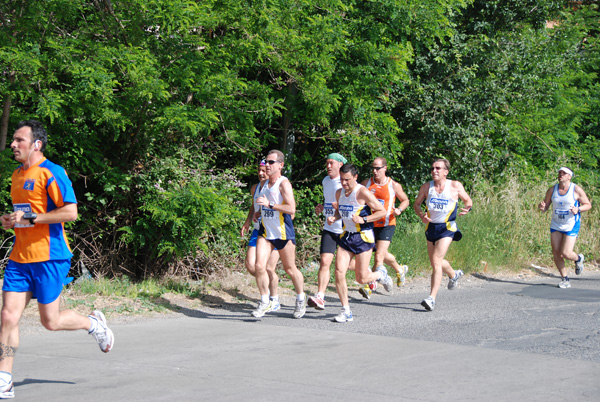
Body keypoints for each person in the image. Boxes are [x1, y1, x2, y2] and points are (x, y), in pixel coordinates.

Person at [0, 120, 114, 399]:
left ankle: (93, 324)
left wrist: (31, 218)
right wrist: (11, 221)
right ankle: (4, 377)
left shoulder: (53, 173)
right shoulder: (16, 175)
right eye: (13, 140)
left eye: (19, 140)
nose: (13, 145)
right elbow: (25, 215)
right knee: (7, 316)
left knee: (50, 322)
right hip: (19, 257)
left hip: (49, 256)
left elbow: (70, 212)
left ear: (36, 145)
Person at [327, 164, 392, 323]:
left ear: (355, 177)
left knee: (362, 278)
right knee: (338, 271)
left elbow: (382, 211)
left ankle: (380, 274)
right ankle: (346, 310)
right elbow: (341, 211)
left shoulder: (363, 192)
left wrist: (363, 219)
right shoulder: (339, 192)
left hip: (363, 236)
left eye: (347, 180)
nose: (344, 183)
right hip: (347, 236)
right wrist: (335, 217)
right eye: (341, 179)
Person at [251, 150, 307, 319]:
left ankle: (300, 298)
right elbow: (264, 206)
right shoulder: (264, 184)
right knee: (259, 266)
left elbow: (291, 209)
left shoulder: (283, 183)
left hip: (283, 232)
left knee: (290, 269)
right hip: (266, 231)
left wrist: (270, 204)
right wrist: (259, 213)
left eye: (271, 162)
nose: (267, 165)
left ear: (280, 165)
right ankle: (264, 300)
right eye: (266, 162)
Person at [413, 158, 472, 311]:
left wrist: (467, 208)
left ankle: (431, 298)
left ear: (446, 171)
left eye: (438, 168)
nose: (434, 171)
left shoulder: (455, 185)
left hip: (448, 228)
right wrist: (421, 215)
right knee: (435, 262)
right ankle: (454, 275)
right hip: (431, 227)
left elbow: (468, 200)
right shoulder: (427, 187)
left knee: (436, 260)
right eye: (432, 168)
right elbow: (416, 204)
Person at [307, 153, 354, 311]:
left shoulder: (346, 183)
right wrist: (322, 207)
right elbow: (328, 200)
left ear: (340, 164)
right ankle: (320, 296)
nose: (328, 166)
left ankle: (368, 273)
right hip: (329, 228)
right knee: (325, 262)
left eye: (331, 163)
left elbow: (355, 204)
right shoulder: (326, 181)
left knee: (349, 267)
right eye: (326, 163)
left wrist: (339, 209)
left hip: (344, 229)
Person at [359, 157, 410, 299]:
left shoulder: (393, 185)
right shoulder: (366, 183)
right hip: (370, 224)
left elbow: (405, 200)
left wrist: (399, 209)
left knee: (378, 256)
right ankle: (400, 269)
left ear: (385, 168)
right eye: (373, 168)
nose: (375, 171)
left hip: (387, 223)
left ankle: (370, 286)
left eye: (378, 168)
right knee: (383, 253)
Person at [538, 167, 591, 288]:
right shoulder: (552, 190)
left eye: (564, 173)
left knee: (566, 253)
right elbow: (545, 207)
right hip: (556, 224)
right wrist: (541, 207)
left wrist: (578, 209)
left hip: (571, 224)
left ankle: (578, 258)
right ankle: (565, 279)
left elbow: (588, 205)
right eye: (559, 173)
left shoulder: (576, 189)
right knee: (556, 252)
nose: (560, 175)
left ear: (569, 176)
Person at [240, 160, 280, 311]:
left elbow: (288, 208)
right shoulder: (254, 188)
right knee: (251, 265)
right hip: (258, 230)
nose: (261, 173)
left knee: (268, 268)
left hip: (273, 231)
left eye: (264, 170)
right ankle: (270, 284)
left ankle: (273, 299)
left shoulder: (276, 188)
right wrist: (247, 222)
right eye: (259, 170)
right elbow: (253, 206)